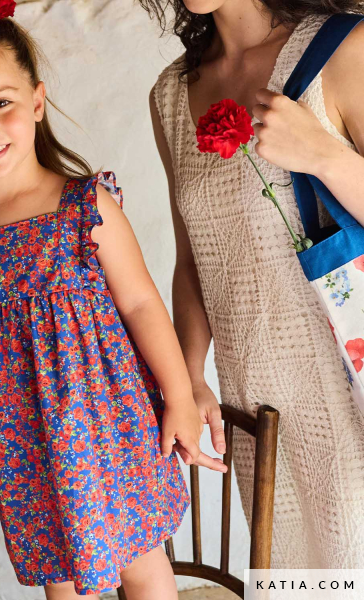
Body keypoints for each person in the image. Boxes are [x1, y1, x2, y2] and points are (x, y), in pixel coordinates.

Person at [0, 2, 226, 597]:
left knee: (143, 565)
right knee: (64, 578)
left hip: (110, 426)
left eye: (0, 103)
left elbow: (140, 305)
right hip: (23, 447)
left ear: (35, 101)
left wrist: (180, 398)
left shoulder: (84, 206)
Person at [144, 0, 364, 569]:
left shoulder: (345, 49)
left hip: (347, 389)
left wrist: (324, 156)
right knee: (290, 578)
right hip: (257, 408)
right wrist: (190, 377)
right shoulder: (171, 95)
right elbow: (192, 259)